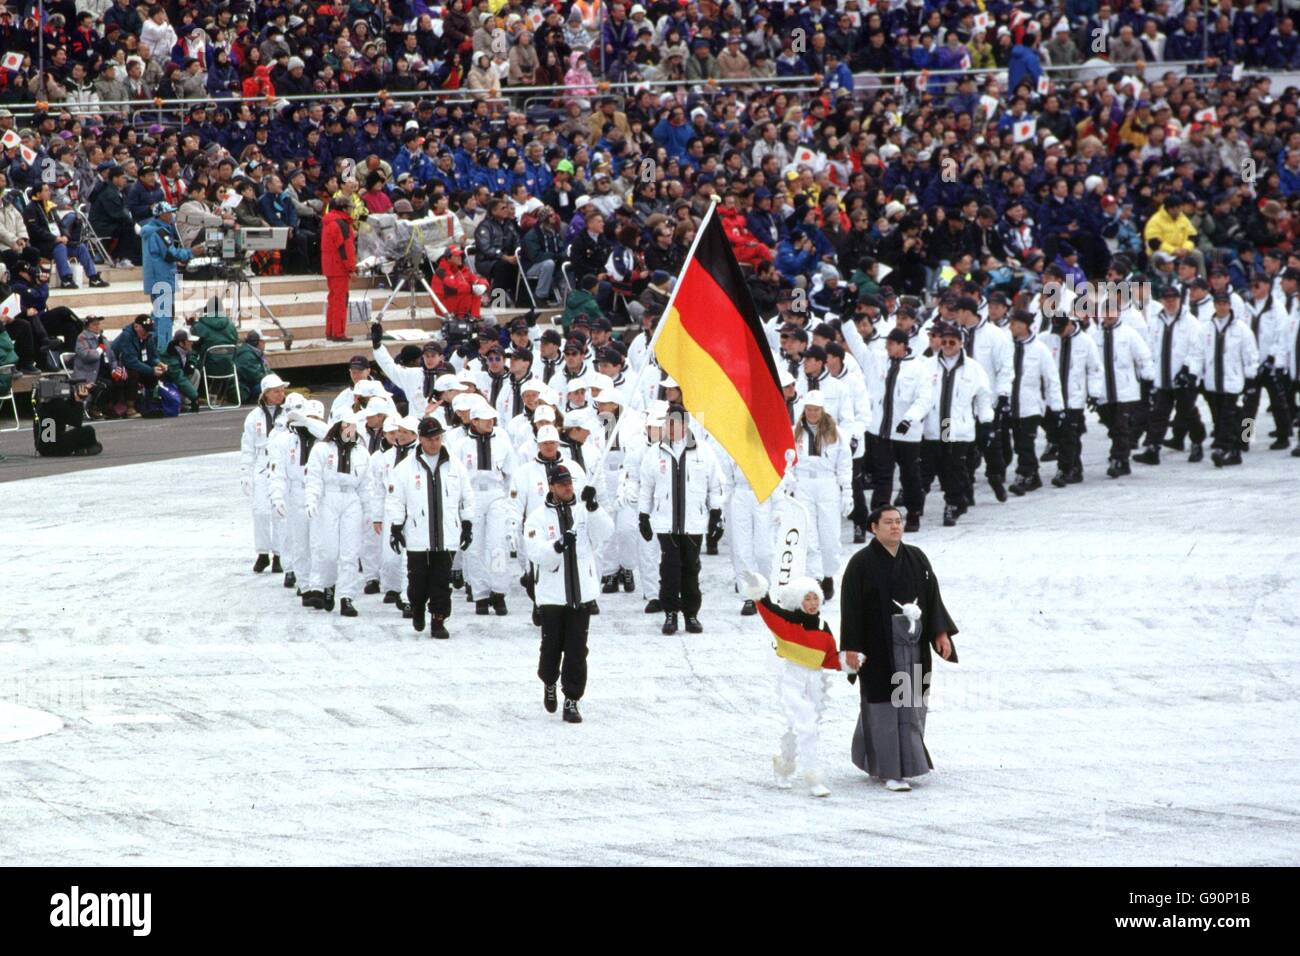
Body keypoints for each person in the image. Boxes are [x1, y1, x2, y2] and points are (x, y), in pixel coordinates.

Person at [840, 505, 958, 792]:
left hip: (913, 644)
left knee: (911, 704)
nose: (895, 527)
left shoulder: (916, 557)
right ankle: (889, 771)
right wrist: (851, 648)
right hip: (879, 645)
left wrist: (940, 633)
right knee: (883, 706)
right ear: (873, 528)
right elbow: (851, 609)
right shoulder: (861, 563)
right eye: (888, 523)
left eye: (898, 522)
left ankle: (900, 763)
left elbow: (932, 599)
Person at [524, 463, 614, 724]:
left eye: (570, 483)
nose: (567, 487)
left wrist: (594, 508)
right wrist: (557, 545)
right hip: (552, 596)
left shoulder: (583, 511)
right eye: (562, 484)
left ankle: (572, 699)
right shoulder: (537, 518)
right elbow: (535, 551)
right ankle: (549, 681)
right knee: (551, 648)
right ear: (551, 486)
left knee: (577, 650)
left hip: (581, 593)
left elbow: (605, 532)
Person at [739, 570, 843, 797]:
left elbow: (830, 658)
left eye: (815, 597)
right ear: (798, 600)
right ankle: (813, 778)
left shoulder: (823, 625)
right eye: (807, 598)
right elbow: (766, 606)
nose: (813, 603)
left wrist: (851, 663)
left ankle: (784, 765)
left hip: (816, 681)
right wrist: (758, 586)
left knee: (800, 727)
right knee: (807, 727)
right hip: (792, 680)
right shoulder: (785, 621)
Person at [385, 417, 477, 638]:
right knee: (417, 582)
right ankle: (417, 606)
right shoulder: (405, 467)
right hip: (418, 535)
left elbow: (467, 496)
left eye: (438, 438)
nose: (435, 443)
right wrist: (396, 527)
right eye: (430, 439)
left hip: (447, 534)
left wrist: (467, 522)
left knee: (441, 581)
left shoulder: (455, 465)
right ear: (421, 439)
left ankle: (438, 619)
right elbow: (396, 499)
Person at [638, 403, 724, 636]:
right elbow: (646, 487)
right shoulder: (654, 453)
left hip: (693, 522)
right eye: (669, 422)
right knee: (669, 569)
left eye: (677, 423)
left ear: (686, 424)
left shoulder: (703, 452)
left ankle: (691, 614)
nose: (673, 427)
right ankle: (670, 613)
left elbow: (715, 485)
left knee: (691, 569)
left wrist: (716, 513)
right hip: (666, 522)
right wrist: (643, 515)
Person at [857, 328, 934, 532]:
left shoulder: (919, 368)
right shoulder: (881, 360)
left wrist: (909, 419)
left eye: (892, 344)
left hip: (907, 435)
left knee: (909, 475)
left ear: (903, 345)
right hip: (883, 432)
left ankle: (914, 512)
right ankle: (880, 515)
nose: (888, 347)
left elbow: (925, 398)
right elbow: (858, 348)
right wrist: (848, 323)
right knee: (883, 475)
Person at [921, 321, 993, 525]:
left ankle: (953, 503)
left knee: (954, 468)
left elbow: (983, 397)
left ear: (961, 343)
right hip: (936, 426)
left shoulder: (973, 368)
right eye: (943, 342)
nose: (947, 346)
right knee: (934, 467)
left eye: (952, 342)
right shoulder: (928, 366)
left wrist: (986, 422)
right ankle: (921, 504)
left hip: (958, 427)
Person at [304, 408, 374, 617]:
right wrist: (312, 499)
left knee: (350, 552)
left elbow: (366, 484)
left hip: (351, 499)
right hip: (329, 498)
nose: (348, 430)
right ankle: (328, 585)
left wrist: (369, 510)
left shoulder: (362, 452)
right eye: (344, 425)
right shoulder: (322, 449)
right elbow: (314, 478)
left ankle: (347, 597)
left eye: (351, 426)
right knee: (328, 550)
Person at [790, 393, 853, 599]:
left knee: (830, 535)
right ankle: (814, 577)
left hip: (827, 483)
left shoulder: (837, 434)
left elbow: (844, 464)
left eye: (816, 409)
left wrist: (847, 492)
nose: (812, 413)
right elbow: (787, 460)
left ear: (822, 410)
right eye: (808, 409)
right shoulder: (795, 432)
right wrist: (788, 485)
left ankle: (828, 575)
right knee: (809, 534)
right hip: (803, 482)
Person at [1135, 286, 1206, 465]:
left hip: (1183, 379)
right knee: (1159, 413)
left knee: (1187, 413)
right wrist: (1149, 372)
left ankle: (1198, 442)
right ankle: (1153, 448)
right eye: (1166, 299)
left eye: (1173, 299)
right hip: (1163, 377)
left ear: (1180, 300)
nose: (1170, 302)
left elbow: (1197, 349)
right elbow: (1150, 347)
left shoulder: (1191, 322)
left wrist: (1188, 371)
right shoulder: (1157, 321)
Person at [268, 398, 328, 600]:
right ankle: (305, 584)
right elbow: (277, 473)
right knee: (300, 541)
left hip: (320, 493)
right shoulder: (284, 441)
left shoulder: (324, 439)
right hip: (296, 492)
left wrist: (309, 421)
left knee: (319, 543)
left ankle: (319, 583)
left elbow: (325, 431)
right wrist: (277, 497)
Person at [1089, 296, 1154, 479]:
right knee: (1112, 426)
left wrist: (1148, 379)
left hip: (1124, 390)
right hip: (1104, 391)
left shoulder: (1129, 333)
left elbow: (1143, 356)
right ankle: (1122, 458)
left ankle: (1118, 459)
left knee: (1120, 426)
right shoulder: (1095, 336)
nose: (1108, 316)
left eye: (1112, 311)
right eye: (1105, 312)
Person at [1198, 290, 1259, 468]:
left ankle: (1225, 447)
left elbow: (1250, 353)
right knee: (1227, 416)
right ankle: (1237, 447)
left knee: (1234, 414)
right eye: (1219, 303)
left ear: (1230, 305)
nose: (1222, 307)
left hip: (1234, 380)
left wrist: (1250, 377)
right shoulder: (1207, 328)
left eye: (1225, 303)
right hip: (1213, 381)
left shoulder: (1241, 329)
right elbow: (1199, 353)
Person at [1006, 309, 1063, 495]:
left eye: (1014, 323)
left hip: (1030, 406)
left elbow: (1051, 378)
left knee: (1025, 442)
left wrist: (1056, 406)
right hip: (1011, 405)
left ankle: (1025, 474)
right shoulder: (1006, 346)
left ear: (1024, 325)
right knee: (1019, 442)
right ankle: (1033, 474)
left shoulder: (1039, 349)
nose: (1011, 327)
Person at [369, 414, 419, 615]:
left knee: (411, 554)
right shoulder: (387, 457)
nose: (401, 435)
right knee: (390, 554)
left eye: (405, 432)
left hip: (414, 508)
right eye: (399, 431)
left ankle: (409, 595)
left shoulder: (420, 455)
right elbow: (379, 488)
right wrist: (377, 516)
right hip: (391, 507)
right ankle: (391, 587)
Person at [241, 373, 288, 574]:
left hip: (281, 461)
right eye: (276, 391)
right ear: (266, 394)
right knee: (260, 510)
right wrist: (246, 472)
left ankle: (279, 554)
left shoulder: (288, 413)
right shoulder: (254, 417)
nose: (280, 394)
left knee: (279, 510)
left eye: (282, 390)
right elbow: (247, 446)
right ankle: (262, 552)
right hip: (261, 461)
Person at [140, 201, 199, 351]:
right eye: (170, 213)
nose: (172, 215)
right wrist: (193, 252)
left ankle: (152, 346)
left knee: (158, 314)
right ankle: (163, 349)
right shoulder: (160, 232)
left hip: (154, 278)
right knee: (165, 316)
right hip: (162, 278)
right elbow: (171, 254)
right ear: (162, 215)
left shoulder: (150, 231)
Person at [321, 197, 357, 342]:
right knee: (340, 301)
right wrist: (351, 269)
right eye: (350, 207)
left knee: (333, 299)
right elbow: (345, 249)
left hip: (330, 267)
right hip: (339, 268)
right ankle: (338, 333)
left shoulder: (329, 222)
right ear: (343, 208)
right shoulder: (342, 224)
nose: (351, 210)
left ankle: (330, 331)